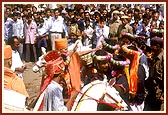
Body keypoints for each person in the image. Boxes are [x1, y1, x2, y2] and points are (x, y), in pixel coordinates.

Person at [144, 36, 164, 111]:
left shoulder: (163, 58)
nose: (151, 48)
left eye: (152, 45)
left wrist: (163, 95)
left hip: (159, 93)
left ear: (158, 46)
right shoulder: (156, 56)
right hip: (153, 91)